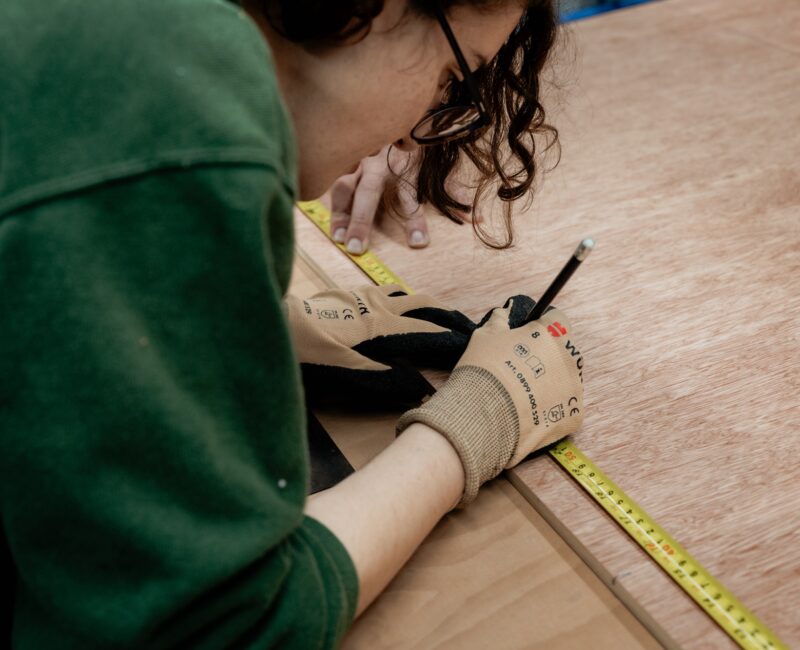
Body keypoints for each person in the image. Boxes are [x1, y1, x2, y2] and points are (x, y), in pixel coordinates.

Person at [0, 0, 584, 647]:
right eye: (453, 78)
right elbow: (225, 624)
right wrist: (469, 427)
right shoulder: (189, 110)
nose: (416, 134)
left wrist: (242, 317)